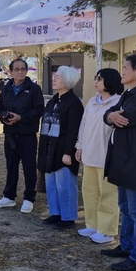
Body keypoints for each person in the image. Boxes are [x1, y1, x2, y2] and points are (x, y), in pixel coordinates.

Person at [101, 54, 136, 271]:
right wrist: (111, 115)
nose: (122, 71)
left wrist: (113, 116)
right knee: (125, 207)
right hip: (122, 157)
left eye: (126, 68)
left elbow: (125, 119)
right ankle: (126, 247)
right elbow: (110, 114)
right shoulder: (129, 93)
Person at [75, 69, 123, 243]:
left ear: (110, 81)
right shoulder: (92, 102)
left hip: (107, 158)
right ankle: (92, 224)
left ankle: (107, 230)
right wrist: (79, 146)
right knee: (89, 191)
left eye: (100, 79)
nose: (96, 82)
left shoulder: (118, 103)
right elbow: (83, 126)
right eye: (96, 78)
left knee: (108, 194)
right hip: (89, 155)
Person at [0, 58, 44, 213]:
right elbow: (0, 108)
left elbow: (39, 109)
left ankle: (29, 198)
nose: (20, 72)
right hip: (10, 134)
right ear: (11, 71)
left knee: (28, 167)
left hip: (27, 134)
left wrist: (22, 118)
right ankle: (9, 196)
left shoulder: (34, 89)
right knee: (11, 165)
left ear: (26, 71)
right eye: (17, 69)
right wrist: (4, 117)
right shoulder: (7, 88)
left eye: (23, 69)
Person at [37, 66, 84, 230]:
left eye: (58, 76)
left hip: (63, 151)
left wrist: (67, 153)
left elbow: (73, 130)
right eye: (54, 75)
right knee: (51, 184)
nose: (54, 78)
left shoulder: (74, 104)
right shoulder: (53, 100)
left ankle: (68, 216)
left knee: (65, 184)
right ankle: (55, 213)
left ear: (68, 81)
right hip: (49, 149)